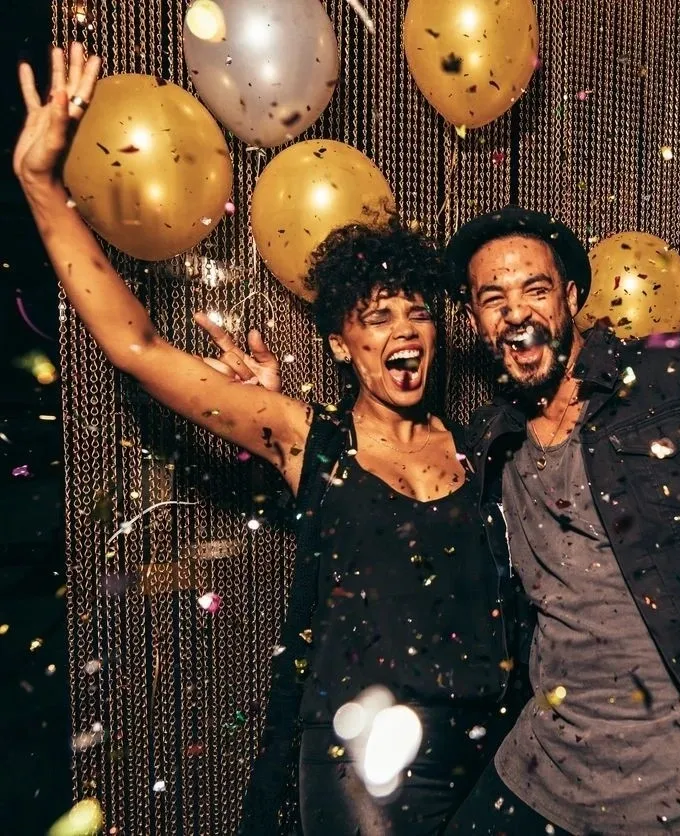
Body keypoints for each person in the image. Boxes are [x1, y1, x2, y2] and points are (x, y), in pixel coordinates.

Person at [14, 44, 517, 836]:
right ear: (342, 346)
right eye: (376, 317)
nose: (403, 329)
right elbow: (137, 349)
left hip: (492, 752)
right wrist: (41, 186)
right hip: (362, 772)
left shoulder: (487, 448)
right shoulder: (304, 438)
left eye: (416, 310)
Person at [436, 206, 680, 834]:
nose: (516, 312)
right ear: (473, 321)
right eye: (494, 298)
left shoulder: (672, 375)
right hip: (549, 773)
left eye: (535, 290)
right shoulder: (490, 443)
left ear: (570, 299)